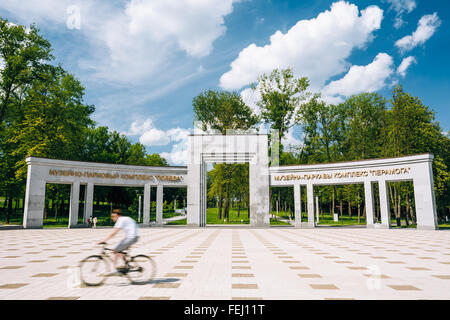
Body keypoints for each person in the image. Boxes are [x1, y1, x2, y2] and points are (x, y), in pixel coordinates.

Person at [98, 209, 139, 275]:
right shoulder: (125, 218)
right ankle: (127, 264)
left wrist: (104, 240)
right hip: (134, 236)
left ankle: (115, 269)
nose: (112, 218)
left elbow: (114, 233)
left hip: (131, 237)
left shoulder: (120, 220)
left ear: (118, 215)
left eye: (113, 216)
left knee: (115, 250)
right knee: (120, 251)